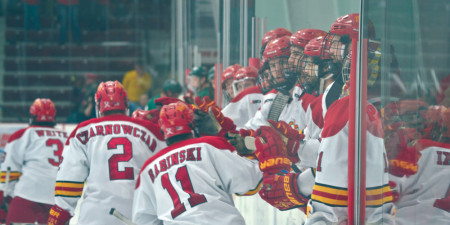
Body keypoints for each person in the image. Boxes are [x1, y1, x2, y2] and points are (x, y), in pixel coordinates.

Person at [47, 81, 167, 225]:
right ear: (126, 104)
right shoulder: (151, 130)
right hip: (140, 216)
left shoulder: (83, 131)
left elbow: (69, 179)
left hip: (96, 216)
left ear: (98, 106)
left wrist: (62, 210)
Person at [131, 101, 262, 224]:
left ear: (162, 130)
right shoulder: (210, 145)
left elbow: (143, 219)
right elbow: (250, 181)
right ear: (192, 124)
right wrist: (252, 155)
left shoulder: (148, 169)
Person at [0, 99, 68, 224]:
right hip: (58, 199)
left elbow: (9, 170)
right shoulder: (67, 136)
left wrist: (4, 198)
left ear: (32, 114)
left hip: (28, 195)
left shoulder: (23, 134)